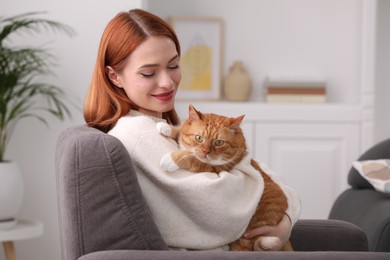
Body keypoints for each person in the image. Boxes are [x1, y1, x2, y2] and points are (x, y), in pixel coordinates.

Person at [84, 8, 300, 251]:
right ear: (114, 77)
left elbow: (256, 173)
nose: (167, 82)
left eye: (174, 65)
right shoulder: (138, 135)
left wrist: (285, 216)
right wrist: (285, 212)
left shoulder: (161, 125)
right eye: (148, 72)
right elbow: (225, 207)